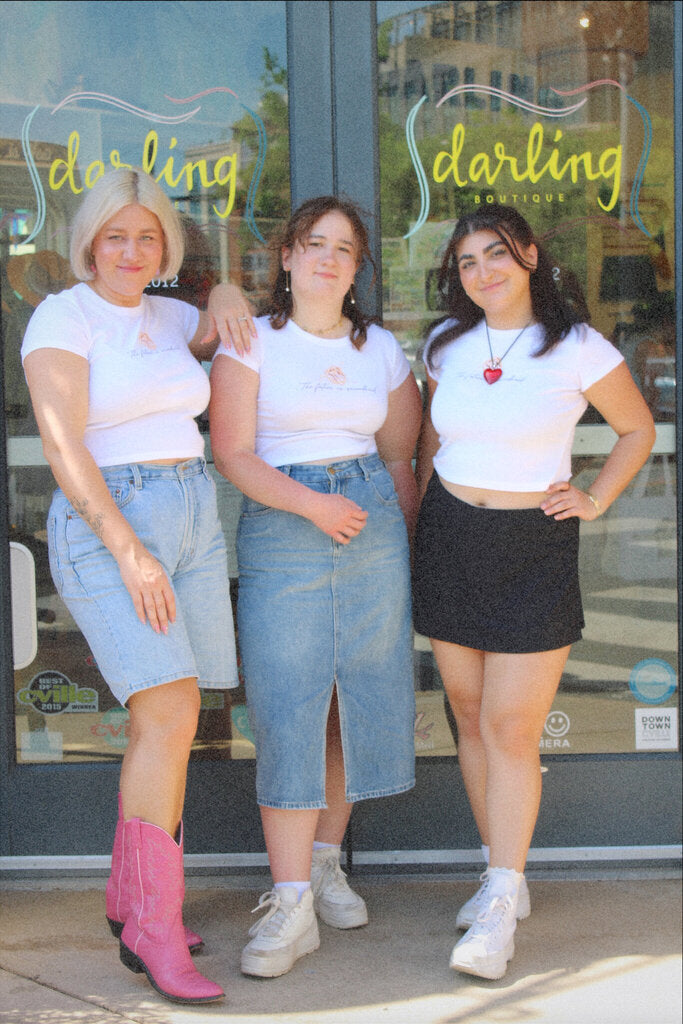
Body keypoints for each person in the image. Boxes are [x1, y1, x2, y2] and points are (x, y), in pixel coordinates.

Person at [413, 204, 655, 981]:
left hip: (533, 545)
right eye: (466, 261)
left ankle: (497, 904)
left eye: (494, 254)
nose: (481, 271)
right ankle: (500, 872)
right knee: (469, 716)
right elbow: (432, 443)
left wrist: (595, 496)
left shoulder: (577, 345)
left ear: (526, 255)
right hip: (451, 537)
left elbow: (637, 430)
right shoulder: (444, 345)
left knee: (511, 728)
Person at [21, 167, 238, 1004]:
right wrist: (128, 550)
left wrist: (228, 295)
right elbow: (62, 443)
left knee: (175, 716)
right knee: (169, 712)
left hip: (192, 513)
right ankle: (153, 925)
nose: (131, 251)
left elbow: (226, 320)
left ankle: (132, 897)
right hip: (111, 524)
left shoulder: (170, 316)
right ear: (89, 242)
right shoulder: (63, 316)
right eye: (115, 235)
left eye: (147, 237)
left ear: (165, 247)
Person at [209, 195, 421, 978]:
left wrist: (401, 540)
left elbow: (398, 458)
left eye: (343, 248)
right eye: (314, 244)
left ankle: (325, 862)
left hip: (369, 526)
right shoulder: (252, 341)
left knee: (352, 699)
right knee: (287, 703)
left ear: (357, 267)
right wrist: (311, 504)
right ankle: (290, 901)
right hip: (284, 523)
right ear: (288, 257)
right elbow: (233, 452)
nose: (328, 258)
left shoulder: (381, 351)